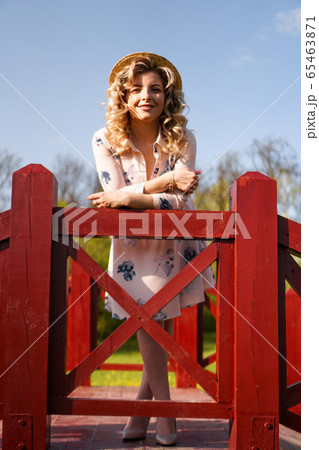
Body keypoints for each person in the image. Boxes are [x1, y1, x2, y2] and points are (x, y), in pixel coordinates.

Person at [88, 52, 214, 446]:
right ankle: (164, 410)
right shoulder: (103, 139)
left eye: (156, 89)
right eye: (137, 88)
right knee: (148, 321)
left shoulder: (184, 137)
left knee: (157, 323)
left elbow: (177, 204)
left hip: (176, 241)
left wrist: (133, 195)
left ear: (167, 95)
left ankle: (143, 414)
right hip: (132, 247)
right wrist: (164, 183)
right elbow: (113, 199)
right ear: (123, 96)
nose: (147, 96)